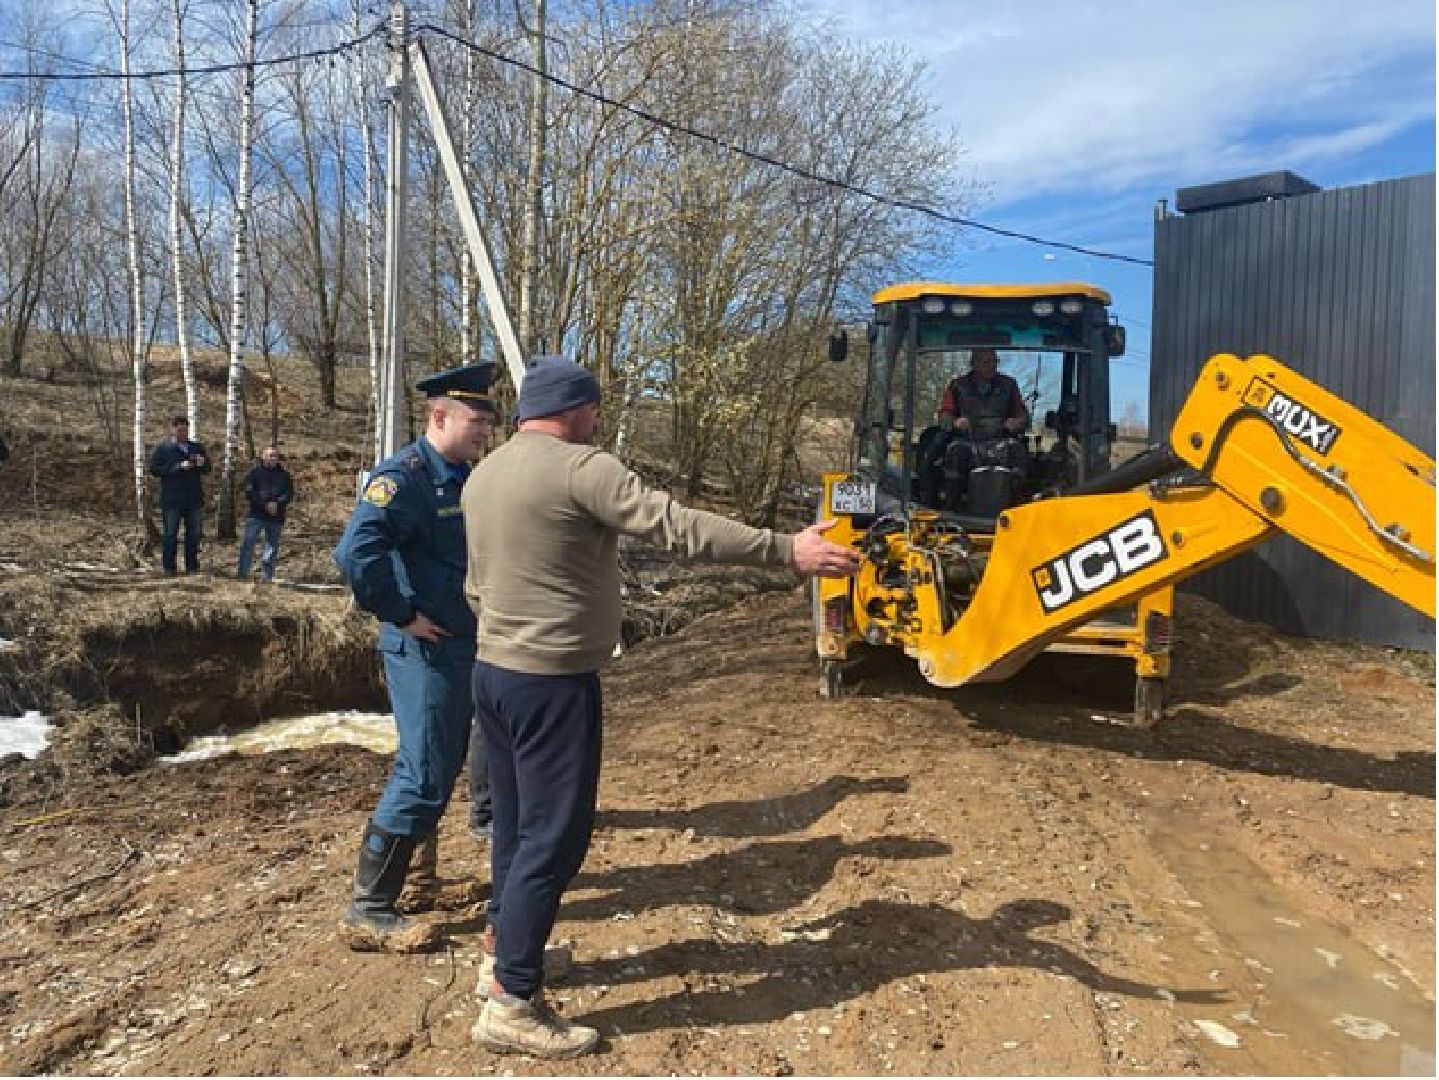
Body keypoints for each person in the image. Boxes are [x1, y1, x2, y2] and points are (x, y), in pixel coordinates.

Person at [461, 357, 861, 1058]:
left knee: (515, 827)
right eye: (593, 406)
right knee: (554, 838)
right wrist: (784, 550)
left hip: (494, 673)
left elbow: (474, 585)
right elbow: (675, 526)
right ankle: (512, 1001)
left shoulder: (486, 472)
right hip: (553, 682)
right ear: (575, 408)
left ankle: (501, 954)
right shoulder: (583, 468)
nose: (597, 418)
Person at [333, 362, 498, 953]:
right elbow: (356, 553)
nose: (485, 431)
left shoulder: (459, 476)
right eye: (476, 420)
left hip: (457, 645)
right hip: (422, 648)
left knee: (439, 761)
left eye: (488, 421)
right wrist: (399, 611)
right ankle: (370, 907)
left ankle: (416, 880)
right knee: (423, 772)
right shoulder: (401, 478)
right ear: (439, 417)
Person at [920, 347, 1029, 510]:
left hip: (1001, 440)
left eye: (994, 362)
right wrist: (954, 422)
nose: (991, 366)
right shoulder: (958, 386)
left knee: (1017, 451)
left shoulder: (1009, 385)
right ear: (974, 364)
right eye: (986, 362)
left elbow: (1022, 416)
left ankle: (1018, 506)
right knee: (955, 453)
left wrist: (1016, 422)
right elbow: (944, 415)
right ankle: (952, 508)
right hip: (967, 441)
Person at [149, 415, 212, 575]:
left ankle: (192, 567)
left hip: (194, 499)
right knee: (170, 534)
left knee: (194, 534)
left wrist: (201, 463)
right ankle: (169, 568)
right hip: (172, 499)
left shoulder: (196, 447)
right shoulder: (163, 448)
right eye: (179, 430)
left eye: (185, 430)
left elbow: (208, 469)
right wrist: (178, 467)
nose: (182, 433)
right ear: (172, 430)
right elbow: (154, 470)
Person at [236, 445, 294, 582]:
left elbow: (289, 493)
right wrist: (265, 504)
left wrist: (277, 504)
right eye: (270, 455)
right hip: (256, 514)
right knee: (248, 543)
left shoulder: (284, 475)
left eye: (275, 456)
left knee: (272, 546)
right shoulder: (255, 472)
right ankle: (243, 574)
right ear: (263, 457)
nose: (273, 458)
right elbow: (249, 492)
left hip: (276, 516)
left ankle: (267, 576)